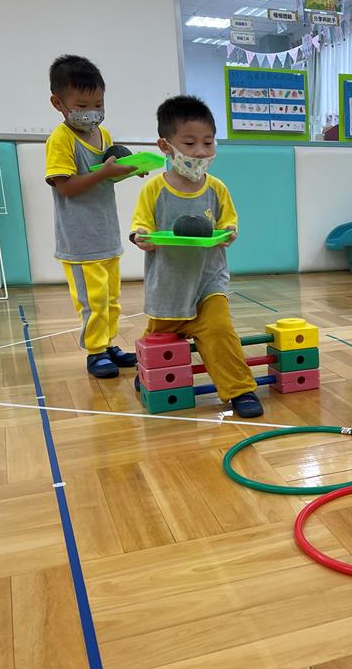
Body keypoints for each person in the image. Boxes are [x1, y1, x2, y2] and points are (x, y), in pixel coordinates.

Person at [129, 95, 262, 418]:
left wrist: (229, 231)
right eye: (189, 144)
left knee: (219, 330)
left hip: (208, 280)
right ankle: (146, 370)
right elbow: (140, 226)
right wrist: (141, 237)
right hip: (169, 285)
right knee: (159, 338)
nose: (201, 152)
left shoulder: (216, 188)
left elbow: (229, 221)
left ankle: (239, 389)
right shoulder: (154, 190)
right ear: (165, 146)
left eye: (208, 142)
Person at [45, 54, 137, 378]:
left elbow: (104, 177)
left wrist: (127, 171)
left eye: (98, 104)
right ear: (58, 103)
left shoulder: (104, 135)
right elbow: (66, 188)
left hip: (106, 234)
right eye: (82, 106)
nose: (92, 112)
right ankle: (95, 351)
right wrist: (105, 173)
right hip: (80, 241)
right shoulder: (60, 140)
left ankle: (107, 344)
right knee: (93, 300)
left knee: (111, 299)